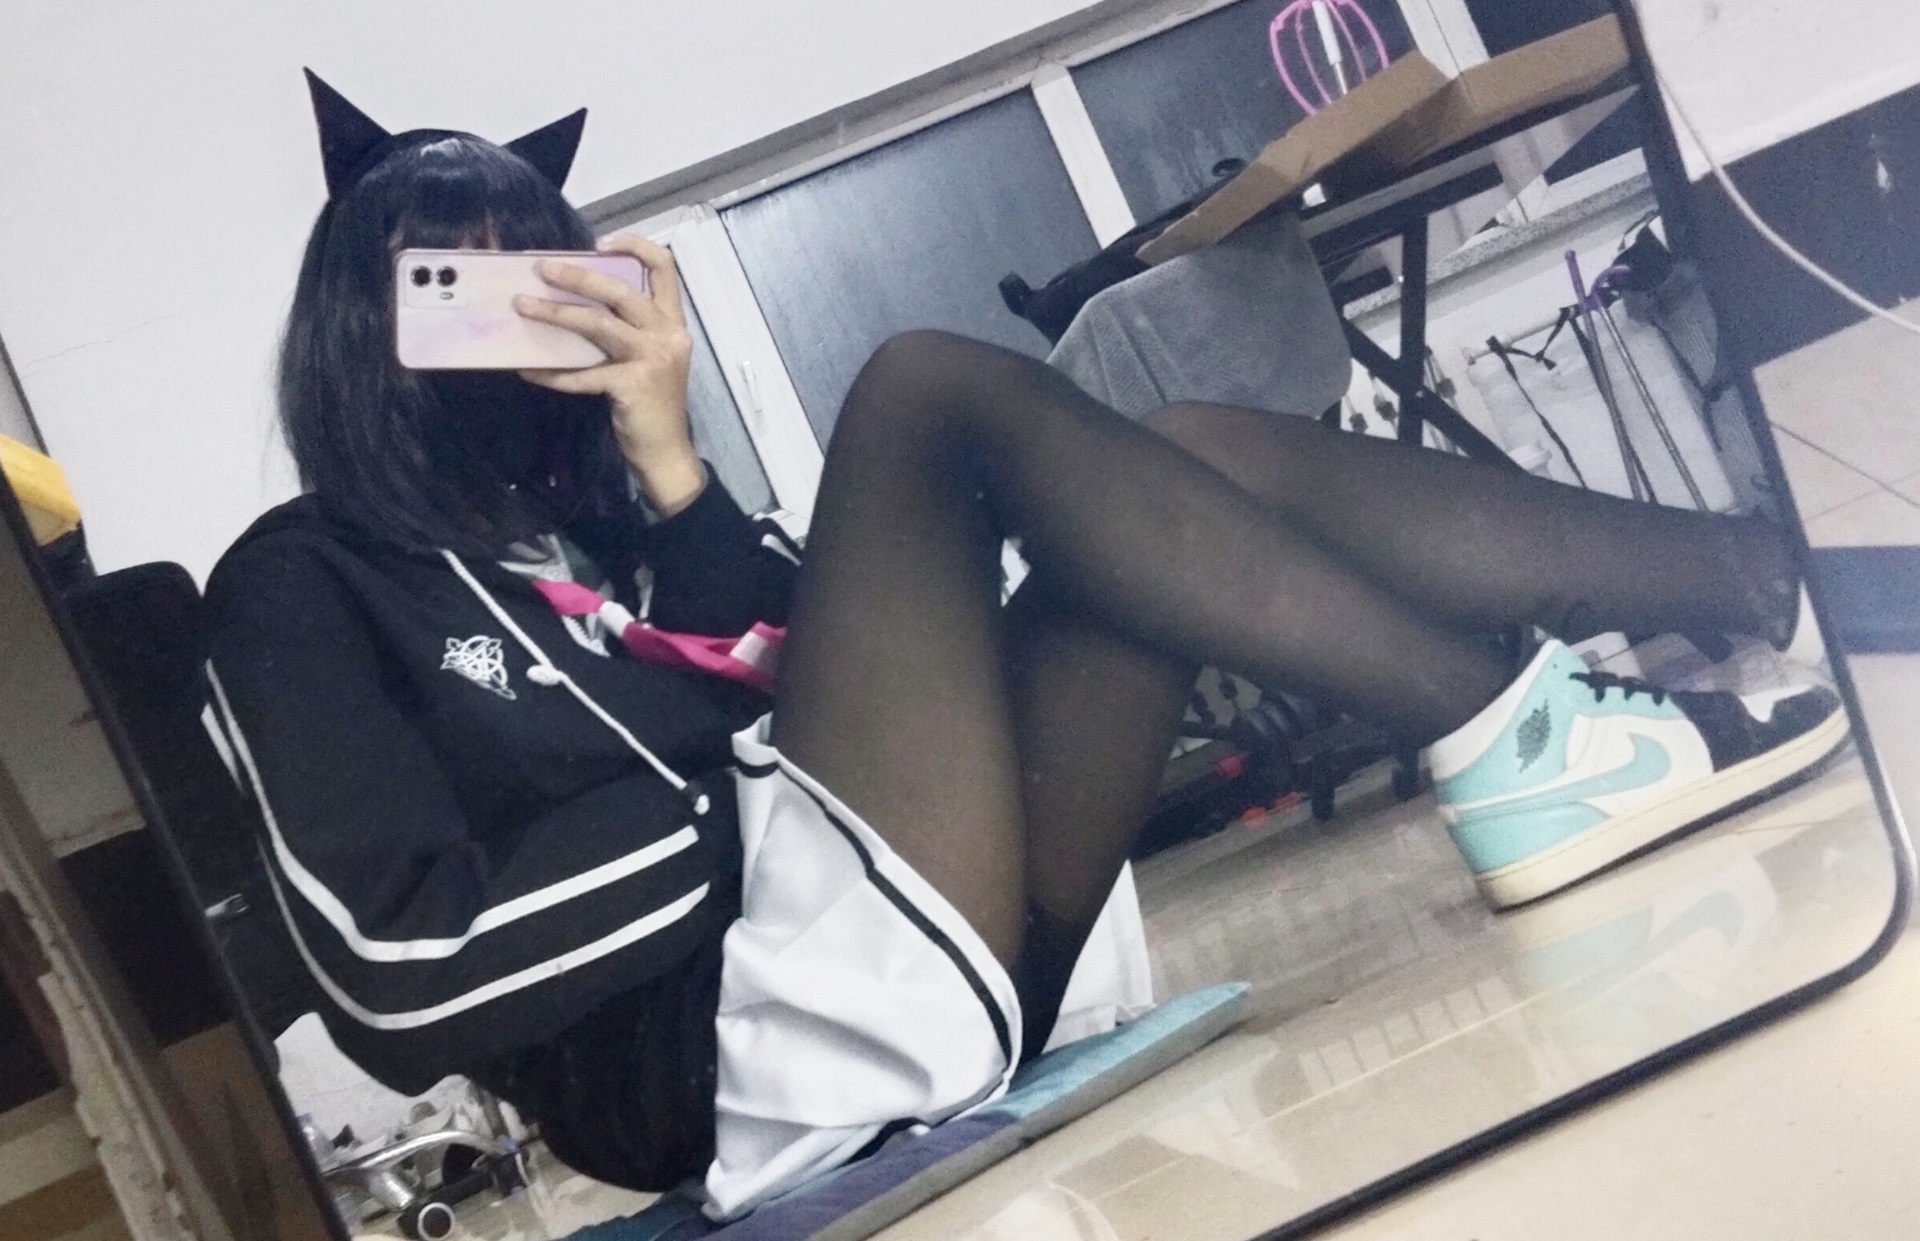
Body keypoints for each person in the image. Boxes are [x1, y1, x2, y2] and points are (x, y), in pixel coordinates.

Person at [205, 77, 1846, 1220]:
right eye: (451, 278)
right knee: (922, 390)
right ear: (361, 316)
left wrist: (676, 469)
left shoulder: (612, 523)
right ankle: (1520, 730)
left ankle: (1756, 578)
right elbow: (398, 969)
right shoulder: (299, 583)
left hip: (907, 944)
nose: (508, 308)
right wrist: (736, 805)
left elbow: (827, 682)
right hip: (724, 1055)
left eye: (538, 265)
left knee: (1192, 446)